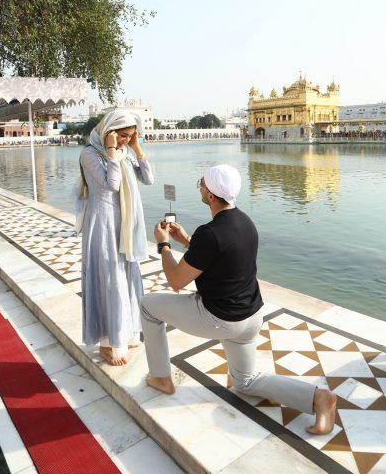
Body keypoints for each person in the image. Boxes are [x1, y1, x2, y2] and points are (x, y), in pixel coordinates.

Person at [140, 164, 337, 434]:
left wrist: (163, 244)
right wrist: (187, 241)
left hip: (220, 319)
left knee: (148, 306)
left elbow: (176, 281)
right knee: (244, 383)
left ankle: (161, 378)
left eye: (201, 183)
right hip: (251, 317)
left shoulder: (209, 233)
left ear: (210, 195)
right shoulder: (245, 222)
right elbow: (221, 256)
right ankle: (318, 397)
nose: (199, 185)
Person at [76, 108, 154, 366]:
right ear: (108, 131)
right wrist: (111, 152)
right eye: (122, 135)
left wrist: (137, 149)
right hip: (103, 225)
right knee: (109, 279)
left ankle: (125, 334)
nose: (125, 141)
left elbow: (149, 179)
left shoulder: (125, 154)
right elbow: (112, 185)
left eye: (130, 136)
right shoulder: (90, 154)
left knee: (126, 279)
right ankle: (108, 342)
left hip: (125, 227)